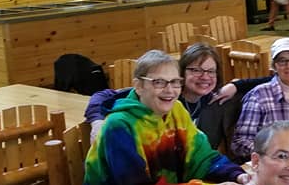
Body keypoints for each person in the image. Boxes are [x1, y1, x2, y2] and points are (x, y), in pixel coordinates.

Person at [77, 50, 247, 185]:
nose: (170, 90)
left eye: (175, 82)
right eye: (159, 82)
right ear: (139, 86)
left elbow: (203, 156)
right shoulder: (119, 126)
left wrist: (238, 175)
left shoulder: (176, 110)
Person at [85, 43, 270, 156]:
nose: (205, 77)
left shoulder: (214, 99)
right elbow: (102, 96)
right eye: (196, 70)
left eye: (211, 71)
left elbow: (274, 80)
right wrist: (97, 122)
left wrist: (237, 85)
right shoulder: (163, 94)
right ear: (181, 72)